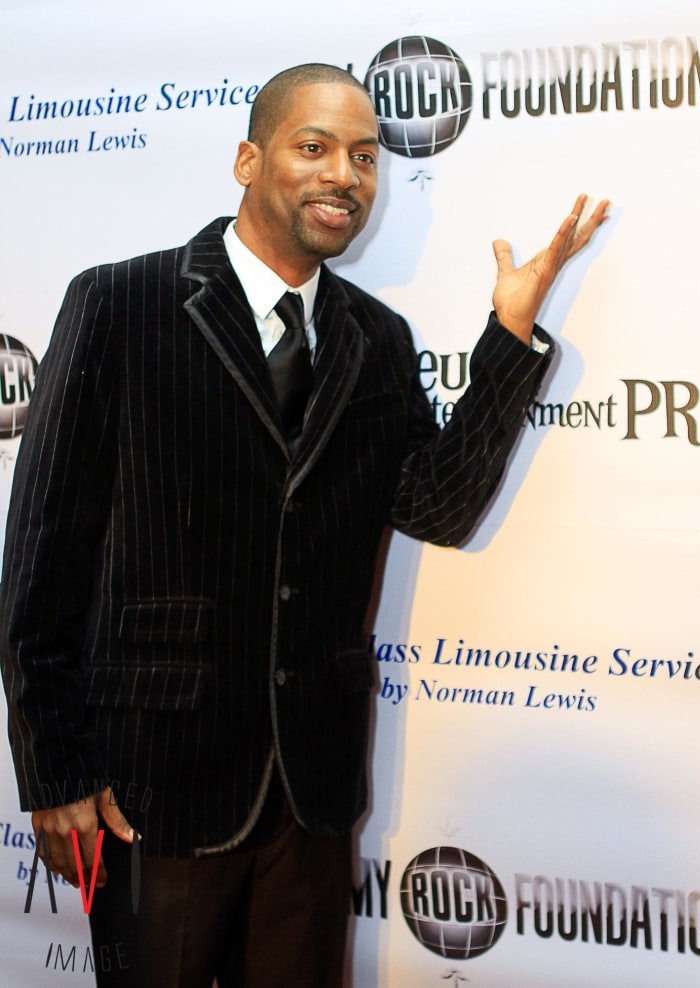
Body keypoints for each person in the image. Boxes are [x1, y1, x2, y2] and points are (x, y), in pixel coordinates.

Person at [0, 63, 608, 986]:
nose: (345, 176)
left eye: (364, 157)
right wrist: (53, 773)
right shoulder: (120, 304)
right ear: (250, 160)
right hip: (151, 786)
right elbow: (41, 558)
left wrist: (509, 341)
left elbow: (436, 506)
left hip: (311, 794)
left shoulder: (377, 338)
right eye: (314, 147)